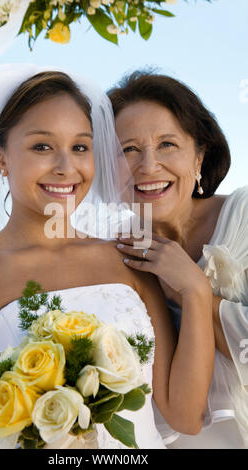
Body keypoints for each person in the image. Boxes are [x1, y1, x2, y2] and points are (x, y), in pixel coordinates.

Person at [0, 64, 215, 449]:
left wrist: (196, 291)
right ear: (0, 155)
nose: (65, 167)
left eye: (80, 147)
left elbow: (184, 416)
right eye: (42, 146)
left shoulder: (129, 259)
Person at [109, 70, 248, 449]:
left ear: (199, 155)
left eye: (167, 144)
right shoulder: (114, 257)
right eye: (128, 150)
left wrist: (194, 290)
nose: (149, 166)